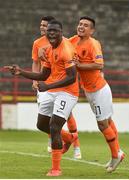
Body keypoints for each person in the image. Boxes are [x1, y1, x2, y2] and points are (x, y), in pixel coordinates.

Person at [5, 20, 79, 176]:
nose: (51, 33)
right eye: (49, 30)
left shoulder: (66, 50)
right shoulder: (48, 50)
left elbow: (72, 77)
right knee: (41, 125)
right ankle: (69, 137)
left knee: (54, 126)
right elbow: (44, 75)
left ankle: (56, 169)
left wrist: (48, 86)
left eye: (55, 31)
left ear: (61, 32)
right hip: (52, 89)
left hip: (68, 92)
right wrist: (21, 72)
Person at [69, 16, 125, 173]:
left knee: (102, 124)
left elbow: (99, 64)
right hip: (89, 90)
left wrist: (79, 65)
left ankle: (115, 155)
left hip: (99, 90)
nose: (81, 27)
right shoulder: (73, 40)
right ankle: (118, 152)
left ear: (91, 30)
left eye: (85, 25)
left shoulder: (93, 44)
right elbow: (61, 44)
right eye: (80, 24)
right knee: (107, 121)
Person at [32, 16, 81, 159]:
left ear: (58, 31)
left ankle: (76, 147)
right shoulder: (37, 44)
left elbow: (74, 42)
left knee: (62, 119)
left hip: (63, 88)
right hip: (47, 85)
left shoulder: (64, 43)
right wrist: (33, 78)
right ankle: (68, 137)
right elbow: (36, 62)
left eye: (45, 26)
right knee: (44, 123)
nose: (43, 28)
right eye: (42, 25)